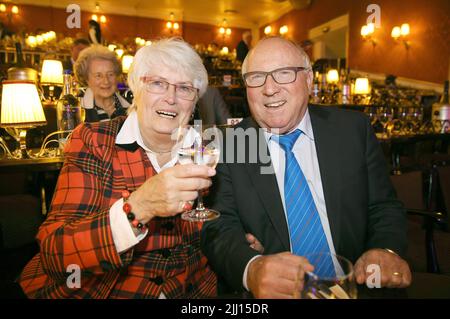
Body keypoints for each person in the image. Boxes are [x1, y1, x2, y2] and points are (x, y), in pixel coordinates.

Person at [201, 36, 411, 298]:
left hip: (355, 287)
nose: (269, 89)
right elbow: (218, 228)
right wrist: (252, 268)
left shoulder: (352, 129)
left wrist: (385, 250)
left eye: (284, 74)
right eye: (256, 77)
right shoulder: (231, 145)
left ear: (309, 80)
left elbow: (384, 205)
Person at [18, 38, 217, 298]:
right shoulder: (93, 140)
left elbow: (218, 230)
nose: (171, 98)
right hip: (104, 289)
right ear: (136, 88)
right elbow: (57, 254)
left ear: (195, 101)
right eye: (157, 83)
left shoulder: (206, 152)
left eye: (184, 88)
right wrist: (138, 208)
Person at [74, 45, 130, 122]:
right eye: (98, 76)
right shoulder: (76, 111)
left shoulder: (132, 109)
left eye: (110, 74)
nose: (106, 81)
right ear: (86, 78)